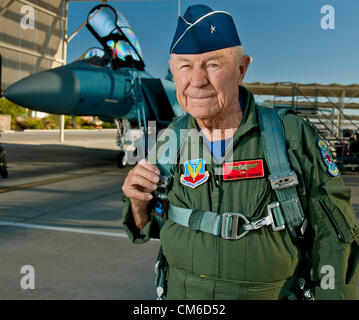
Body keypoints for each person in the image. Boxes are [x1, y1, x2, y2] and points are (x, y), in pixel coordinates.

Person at [121, 4, 359, 300]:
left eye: (212, 64)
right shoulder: (170, 140)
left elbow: (336, 240)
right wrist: (137, 203)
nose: (196, 81)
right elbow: (150, 226)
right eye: (184, 65)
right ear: (172, 71)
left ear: (242, 69)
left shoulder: (291, 136)